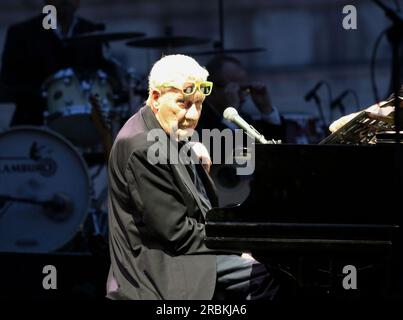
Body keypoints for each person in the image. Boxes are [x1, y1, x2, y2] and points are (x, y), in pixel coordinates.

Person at [106, 54, 281, 300]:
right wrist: (238, 244)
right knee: (269, 276)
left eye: (198, 104)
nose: (192, 115)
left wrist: (190, 146)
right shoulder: (143, 149)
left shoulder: (166, 129)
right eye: (183, 103)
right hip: (161, 267)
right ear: (155, 98)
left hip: (181, 252)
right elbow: (178, 234)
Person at [0, 0, 113, 125]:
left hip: (87, 125)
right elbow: (7, 84)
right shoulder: (21, 33)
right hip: (34, 126)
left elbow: (106, 77)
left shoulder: (93, 30)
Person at [198, 55, 286, 142]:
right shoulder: (195, 119)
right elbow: (215, 150)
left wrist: (267, 110)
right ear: (212, 90)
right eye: (235, 90)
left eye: (245, 89)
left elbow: (272, 151)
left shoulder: (245, 120)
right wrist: (231, 114)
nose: (242, 97)